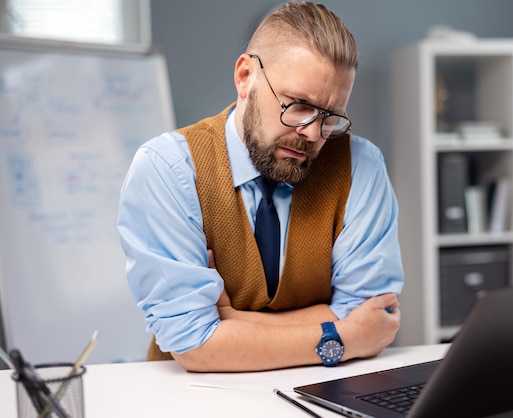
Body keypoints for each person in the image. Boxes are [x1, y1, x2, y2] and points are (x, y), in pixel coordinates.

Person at [117, 0, 403, 373]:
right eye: (298, 105)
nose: (313, 135)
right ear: (245, 76)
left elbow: (372, 316)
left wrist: (229, 320)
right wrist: (344, 336)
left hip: (322, 395)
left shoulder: (361, 166)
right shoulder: (167, 170)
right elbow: (194, 344)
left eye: (330, 117)